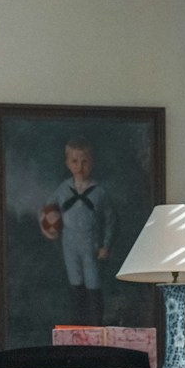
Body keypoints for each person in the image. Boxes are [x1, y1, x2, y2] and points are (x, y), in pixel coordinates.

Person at [40, 137, 117, 325]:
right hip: (69, 244)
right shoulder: (63, 189)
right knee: (75, 283)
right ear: (67, 163)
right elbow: (47, 210)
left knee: (93, 283)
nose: (80, 166)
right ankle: (78, 326)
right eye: (75, 161)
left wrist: (106, 245)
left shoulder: (99, 192)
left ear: (92, 162)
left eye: (85, 161)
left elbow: (111, 220)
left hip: (91, 244)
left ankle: (96, 325)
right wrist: (49, 228)